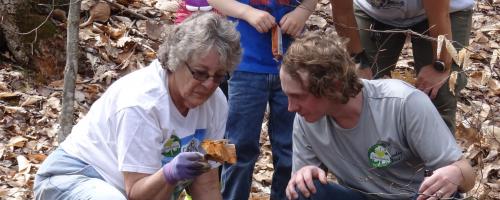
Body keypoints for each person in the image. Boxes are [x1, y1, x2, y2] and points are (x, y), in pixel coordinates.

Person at [33, 12, 242, 200]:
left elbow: (208, 184)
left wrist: (173, 175)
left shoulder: (217, 102)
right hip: (72, 178)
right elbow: (137, 194)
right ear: (177, 61)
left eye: (219, 76)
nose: (209, 84)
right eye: (200, 73)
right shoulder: (142, 102)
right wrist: (169, 174)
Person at [280, 31, 475, 200]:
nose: (290, 107)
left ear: (334, 86)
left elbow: (467, 176)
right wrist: (306, 174)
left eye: (298, 96)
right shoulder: (307, 120)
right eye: (288, 96)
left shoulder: (402, 102)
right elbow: (304, 187)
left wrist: (455, 173)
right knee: (301, 190)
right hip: (359, 196)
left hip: (415, 195)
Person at [207, 0, 318, 199]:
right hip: (244, 64)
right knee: (238, 147)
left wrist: (302, 12)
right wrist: (247, 12)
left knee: (289, 148)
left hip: (292, 64)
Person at [329, 0, 473, 134]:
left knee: (438, 93)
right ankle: (366, 153)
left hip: (445, 9)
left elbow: (440, 14)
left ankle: (443, 157)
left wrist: (440, 65)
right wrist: (358, 60)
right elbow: (342, 11)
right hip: (375, 12)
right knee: (356, 88)